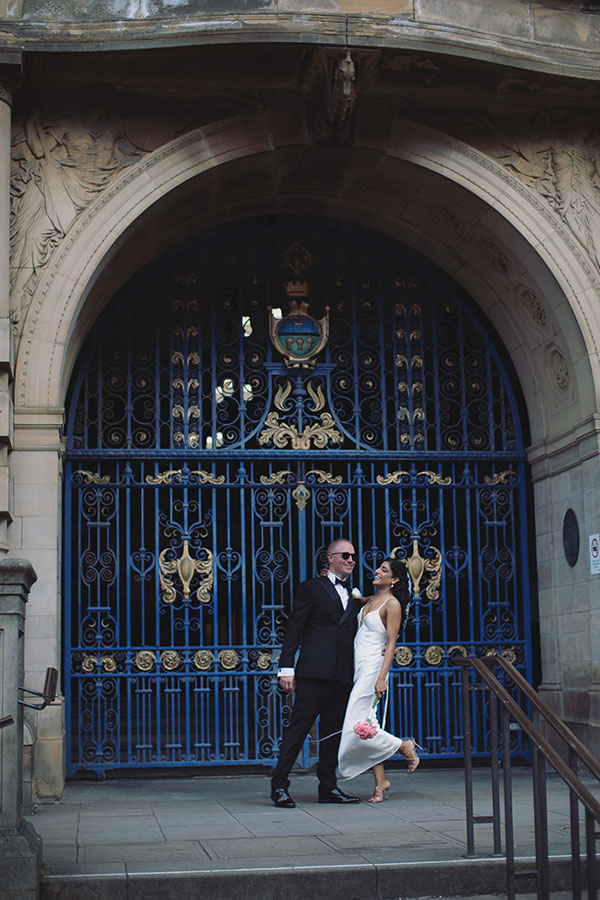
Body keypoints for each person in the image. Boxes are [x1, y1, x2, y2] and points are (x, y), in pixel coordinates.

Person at [270, 538, 362, 808]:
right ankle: (279, 786)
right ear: (330, 558)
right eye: (344, 555)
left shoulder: (355, 595)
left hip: (342, 674)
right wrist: (286, 667)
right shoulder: (310, 588)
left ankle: (328, 787)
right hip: (314, 672)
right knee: (298, 730)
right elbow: (294, 630)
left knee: (334, 732)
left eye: (353, 556)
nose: (350, 560)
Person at [336, 557, 421, 802]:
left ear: (394, 580)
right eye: (378, 568)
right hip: (358, 665)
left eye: (383, 570)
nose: (376, 571)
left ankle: (403, 746)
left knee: (356, 724)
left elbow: (391, 642)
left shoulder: (393, 604)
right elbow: (352, 602)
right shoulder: (371, 600)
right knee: (368, 724)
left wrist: (382, 678)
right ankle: (381, 782)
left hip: (373, 668)